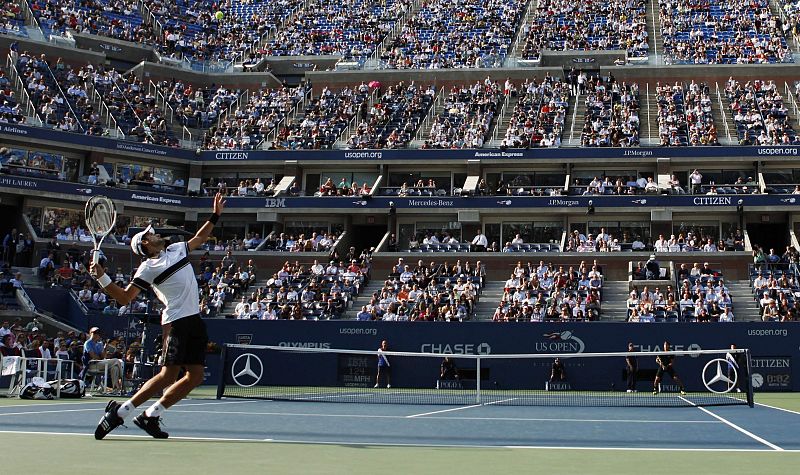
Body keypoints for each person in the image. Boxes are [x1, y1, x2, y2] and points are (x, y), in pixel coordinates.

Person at [91, 192, 225, 440]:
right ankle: (120, 412)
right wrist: (102, 277)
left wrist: (215, 215)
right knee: (167, 375)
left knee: (195, 376)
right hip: (176, 323)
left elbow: (200, 237)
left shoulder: (176, 249)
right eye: (151, 234)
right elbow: (125, 298)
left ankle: (150, 415)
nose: (156, 234)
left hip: (194, 320)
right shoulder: (147, 268)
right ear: (145, 244)